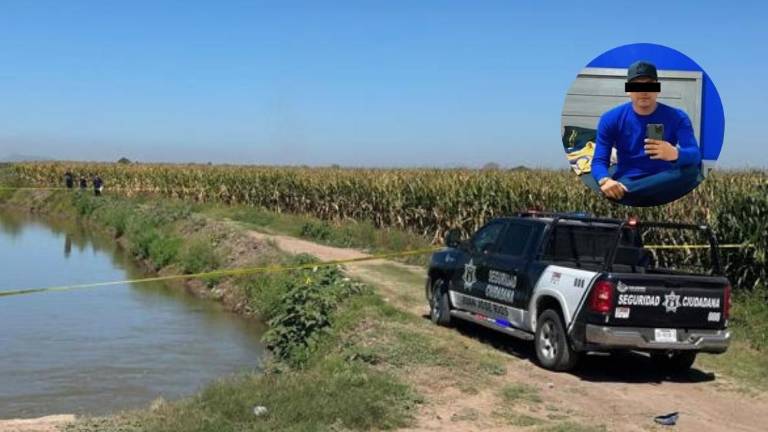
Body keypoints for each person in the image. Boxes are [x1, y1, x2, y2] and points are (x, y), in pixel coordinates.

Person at [591, 60, 701, 206]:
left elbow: (695, 154)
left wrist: (675, 154)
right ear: (628, 89)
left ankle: (627, 194)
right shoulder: (610, 119)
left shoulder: (677, 117)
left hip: (665, 180)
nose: (644, 91)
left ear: (657, 88)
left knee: (693, 172)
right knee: (612, 186)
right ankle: (627, 193)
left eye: (649, 85)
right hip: (628, 179)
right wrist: (605, 179)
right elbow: (599, 161)